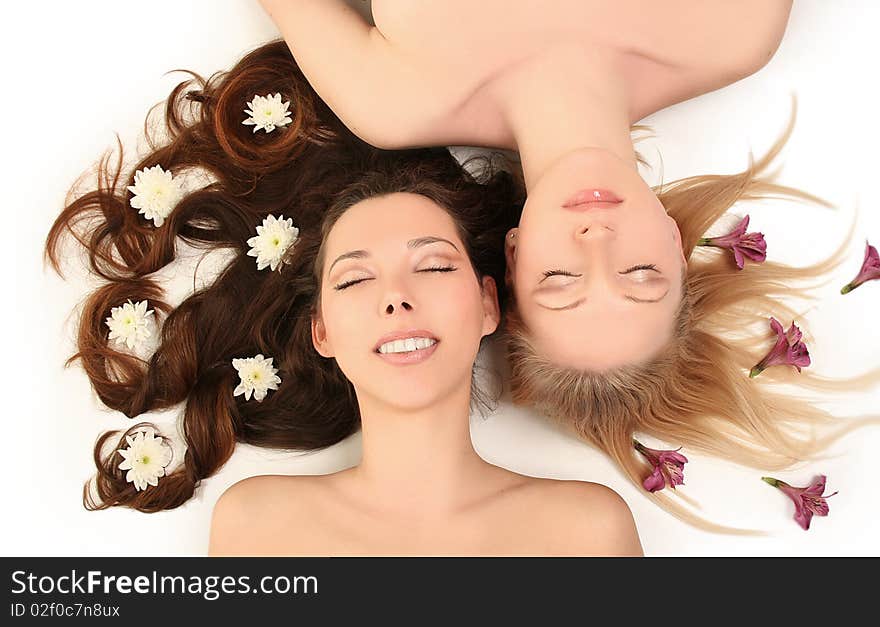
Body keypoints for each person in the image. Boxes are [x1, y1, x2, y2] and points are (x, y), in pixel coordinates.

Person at [258, 0, 879, 530]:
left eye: (559, 281)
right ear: (674, 244)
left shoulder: (388, 105)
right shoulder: (737, 30)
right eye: (640, 274)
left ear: (512, 256)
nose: (595, 238)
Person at [44, 40, 642, 556]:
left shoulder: (585, 533)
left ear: (489, 303)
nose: (396, 299)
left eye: (432, 265)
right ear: (321, 331)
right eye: (355, 279)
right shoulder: (261, 528)